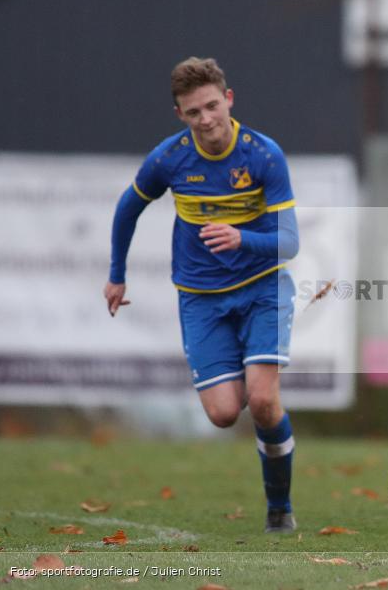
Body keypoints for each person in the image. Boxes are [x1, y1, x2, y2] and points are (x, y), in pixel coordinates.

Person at [104, 57, 300, 533]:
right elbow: (128, 209)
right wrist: (116, 274)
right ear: (180, 116)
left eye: (212, 106)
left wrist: (242, 238)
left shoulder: (264, 155)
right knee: (222, 413)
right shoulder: (170, 158)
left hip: (262, 288)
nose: (207, 119)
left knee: (264, 402)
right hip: (201, 296)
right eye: (194, 113)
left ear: (228, 100)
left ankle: (279, 506)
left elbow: (290, 241)